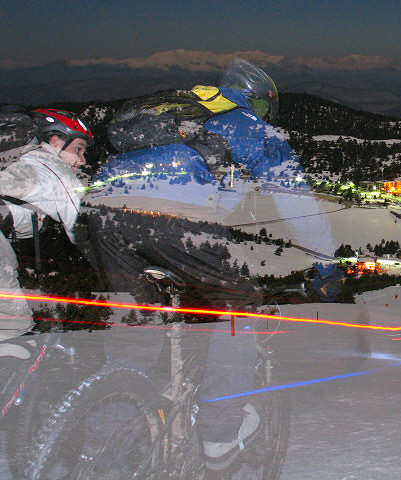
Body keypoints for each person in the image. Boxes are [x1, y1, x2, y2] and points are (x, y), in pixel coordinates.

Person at [85, 58, 341, 472]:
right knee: (238, 309)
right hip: (173, 218)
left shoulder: (183, 111)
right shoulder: (250, 125)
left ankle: (98, 440)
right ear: (260, 102)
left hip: (102, 215)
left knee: (137, 326)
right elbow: (297, 204)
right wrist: (327, 265)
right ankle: (219, 436)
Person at [0, 109, 93, 347]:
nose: (82, 159)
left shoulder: (27, 160)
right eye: (78, 149)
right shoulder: (53, 167)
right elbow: (81, 227)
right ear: (55, 142)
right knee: (13, 332)